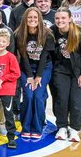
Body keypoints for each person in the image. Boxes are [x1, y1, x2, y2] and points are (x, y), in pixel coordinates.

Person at [50, 9, 81, 144]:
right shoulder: (52, 32)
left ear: (70, 18)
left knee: (77, 101)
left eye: (63, 18)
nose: (60, 21)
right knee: (61, 99)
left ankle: (74, 128)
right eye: (57, 18)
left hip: (79, 72)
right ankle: (62, 127)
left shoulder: (80, 34)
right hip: (61, 71)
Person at [14, 7, 55, 141]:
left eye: (35, 18)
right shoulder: (19, 34)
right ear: (25, 19)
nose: (32, 20)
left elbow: (44, 57)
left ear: (40, 19)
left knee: (38, 96)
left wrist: (38, 76)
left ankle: (37, 127)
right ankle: (26, 127)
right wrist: (30, 76)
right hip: (26, 68)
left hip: (44, 68)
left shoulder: (47, 34)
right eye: (30, 17)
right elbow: (23, 56)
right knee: (28, 96)